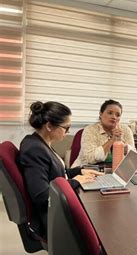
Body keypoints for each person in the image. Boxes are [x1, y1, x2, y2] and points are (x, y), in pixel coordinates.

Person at [19, 101, 102, 238]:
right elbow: (42, 195)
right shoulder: (34, 149)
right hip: (52, 218)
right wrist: (75, 182)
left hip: (58, 208)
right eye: (66, 128)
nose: (68, 132)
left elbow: (55, 172)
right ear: (49, 126)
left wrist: (79, 171)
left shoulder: (40, 142)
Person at [72, 99, 135, 167]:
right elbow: (90, 158)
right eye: (110, 113)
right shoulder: (90, 130)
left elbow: (134, 155)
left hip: (117, 170)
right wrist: (112, 140)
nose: (114, 117)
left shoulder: (126, 130)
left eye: (118, 115)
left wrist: (126, 149)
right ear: (101, 114)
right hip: (86, 169)